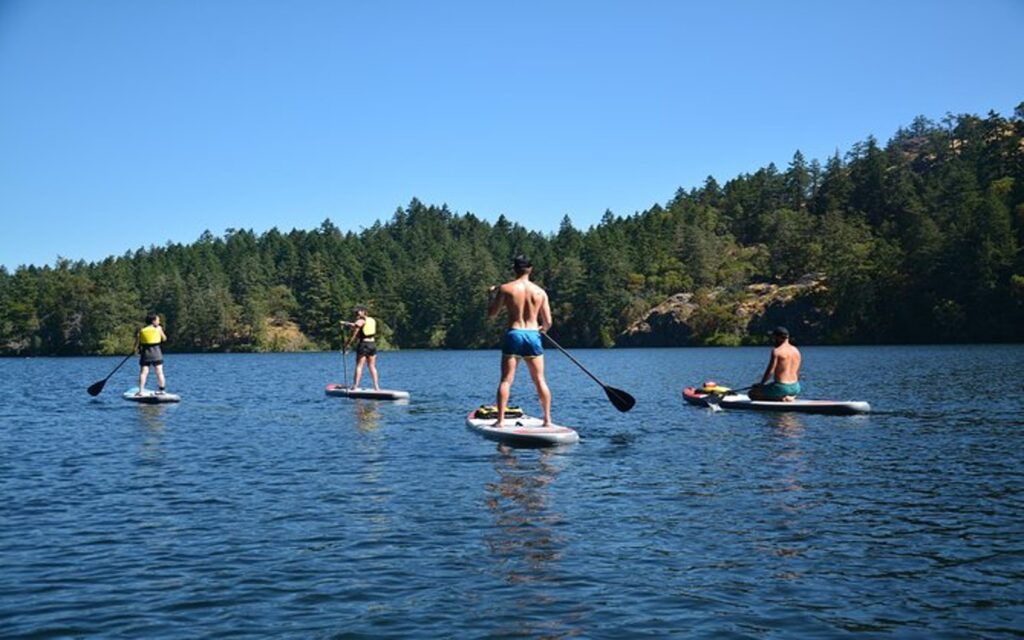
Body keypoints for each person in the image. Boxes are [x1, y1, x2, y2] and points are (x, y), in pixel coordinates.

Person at [487, 255, 554, 426]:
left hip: (515, 333)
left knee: (506, 380)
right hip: (533, 335)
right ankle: (547, 420)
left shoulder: (506, 289)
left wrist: (490, 295)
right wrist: (542, 329)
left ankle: (500, 421)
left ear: (514, 269)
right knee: (540, 380)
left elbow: (492, 313)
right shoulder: (540, 292)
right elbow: (548, 322)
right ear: (530, 270)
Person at [749, 326, 802, 401]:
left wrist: (761, 384)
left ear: (779, 338)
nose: (773, 340)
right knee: (774, 387)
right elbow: (797, 373)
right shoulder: (796, 351)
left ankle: (780, 398)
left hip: (782, 387)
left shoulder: (777, 351)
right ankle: (791, 396)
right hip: (796, 387)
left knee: (751, 394)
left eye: (774, 337)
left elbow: (770, 372)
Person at [343, 305, 380, 390]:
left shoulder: (361, 320)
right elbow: (358, 325)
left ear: (364, 312)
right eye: (356, 312)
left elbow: (355, 330)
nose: (357, 313)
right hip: (372, 344)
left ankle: (355, 386)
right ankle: (376, 387)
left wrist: (347, 345)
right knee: (372, 366)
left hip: (364, 344)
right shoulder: (371, 320)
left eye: (358, 311)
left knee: (359, 366)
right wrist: (347, 324)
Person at [135, 312, 168, 395]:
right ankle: (162, 390)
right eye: (158, 320)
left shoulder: (142, 331)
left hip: (146, 353)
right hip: (156, 353)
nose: (159, 322)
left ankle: (141, 391)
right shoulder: (158, 329)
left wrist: (136, 349)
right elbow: (164, 339)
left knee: (143, 372)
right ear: (153, 321)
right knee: (159, 372)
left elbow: (137, 343)